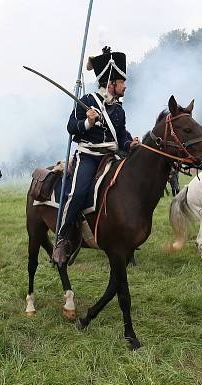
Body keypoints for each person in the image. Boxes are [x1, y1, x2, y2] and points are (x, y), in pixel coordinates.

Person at [53, 46, 136, 264]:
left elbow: (121, 135)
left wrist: (131, 143)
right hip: (88, 157)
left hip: (110, 156)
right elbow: (71, 127)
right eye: (121, 82)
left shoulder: (119, 109)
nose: (125, 86)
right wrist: (88, 122)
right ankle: (62, 237)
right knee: (78, 193)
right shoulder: (87, 100)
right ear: (110, 83)